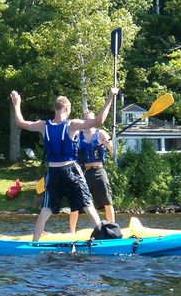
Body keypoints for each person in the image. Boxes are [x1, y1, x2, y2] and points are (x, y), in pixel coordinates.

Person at [10, 87, 119, 241]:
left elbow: (20, 123)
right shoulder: (71, 125)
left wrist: (16, 104)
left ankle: (34, 243)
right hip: (70, 170)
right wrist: (110, 97)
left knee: (46, 209)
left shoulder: (43, 125)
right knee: (87, 204)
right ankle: (103, 240)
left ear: (55, 109)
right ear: (67, 109)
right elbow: (98, 121)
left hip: (53, 172)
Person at [68, 110, 115, 234]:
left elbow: (113, 149)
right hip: (83, 171)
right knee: (76, 201)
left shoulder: (101, 133)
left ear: (94, 119)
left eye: (90, 119)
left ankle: (113, 227)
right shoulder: (78, 134)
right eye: (86, 119)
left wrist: (107, 143)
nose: (88, 121)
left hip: (99, 170)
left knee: (107, 200)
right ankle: (71, 232)